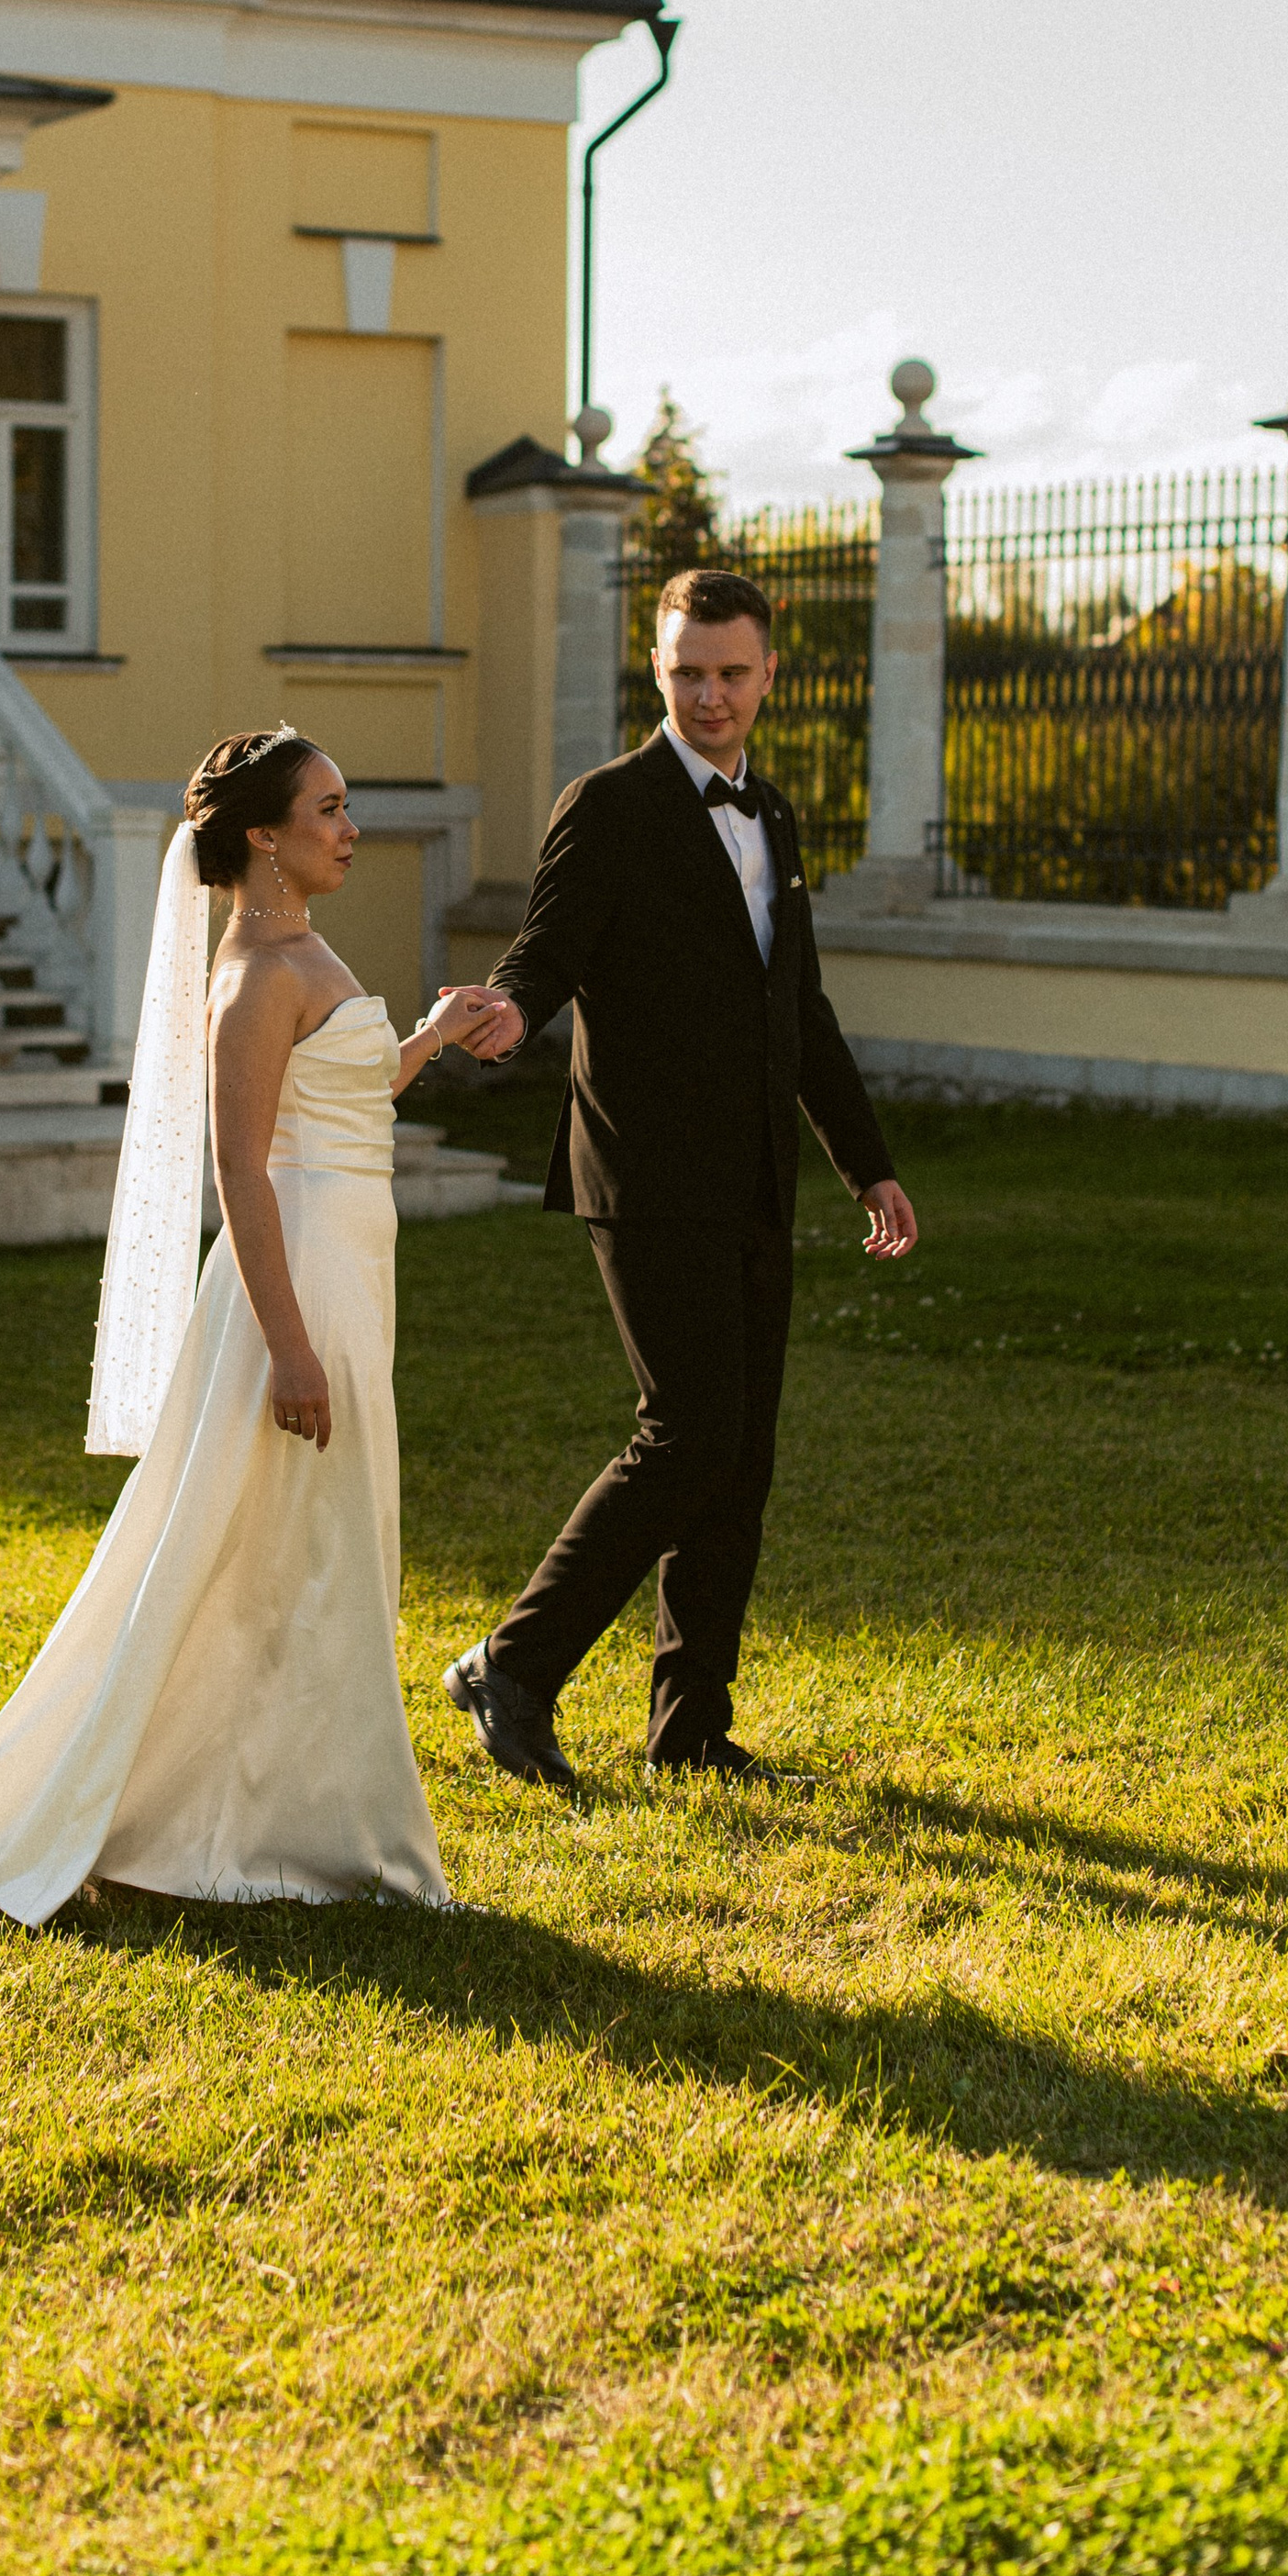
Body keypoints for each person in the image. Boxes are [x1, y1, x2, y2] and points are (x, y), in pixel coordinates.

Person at [0, 730, 494, 1921]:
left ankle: (293, 1811)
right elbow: (244, 1172)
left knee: (308, 1552)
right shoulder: (255, 976)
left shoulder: (302, 951)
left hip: (349, 1267)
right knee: (260, 1552)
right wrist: (287, 1347)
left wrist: (431, 1037)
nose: (351, 826)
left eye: (346, 803)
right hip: (301, 1285)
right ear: (264, 835)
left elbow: (337, 1102)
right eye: (328, 807)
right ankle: (288, 1830)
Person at [439, 570, 917, 1785]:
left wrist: (866, 1166)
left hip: (755, 1174)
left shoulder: (778, 818)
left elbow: (798, 1011)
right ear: (655, 670)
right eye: (687, 670)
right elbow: (548, 949)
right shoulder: (609, 805)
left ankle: (690, 1731)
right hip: (644, 1172)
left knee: (740, 1453)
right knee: (690, 1432)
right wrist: (509, 1011)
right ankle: (517, 1664)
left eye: (732, 672)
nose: (710, 694)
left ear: (767, 676)